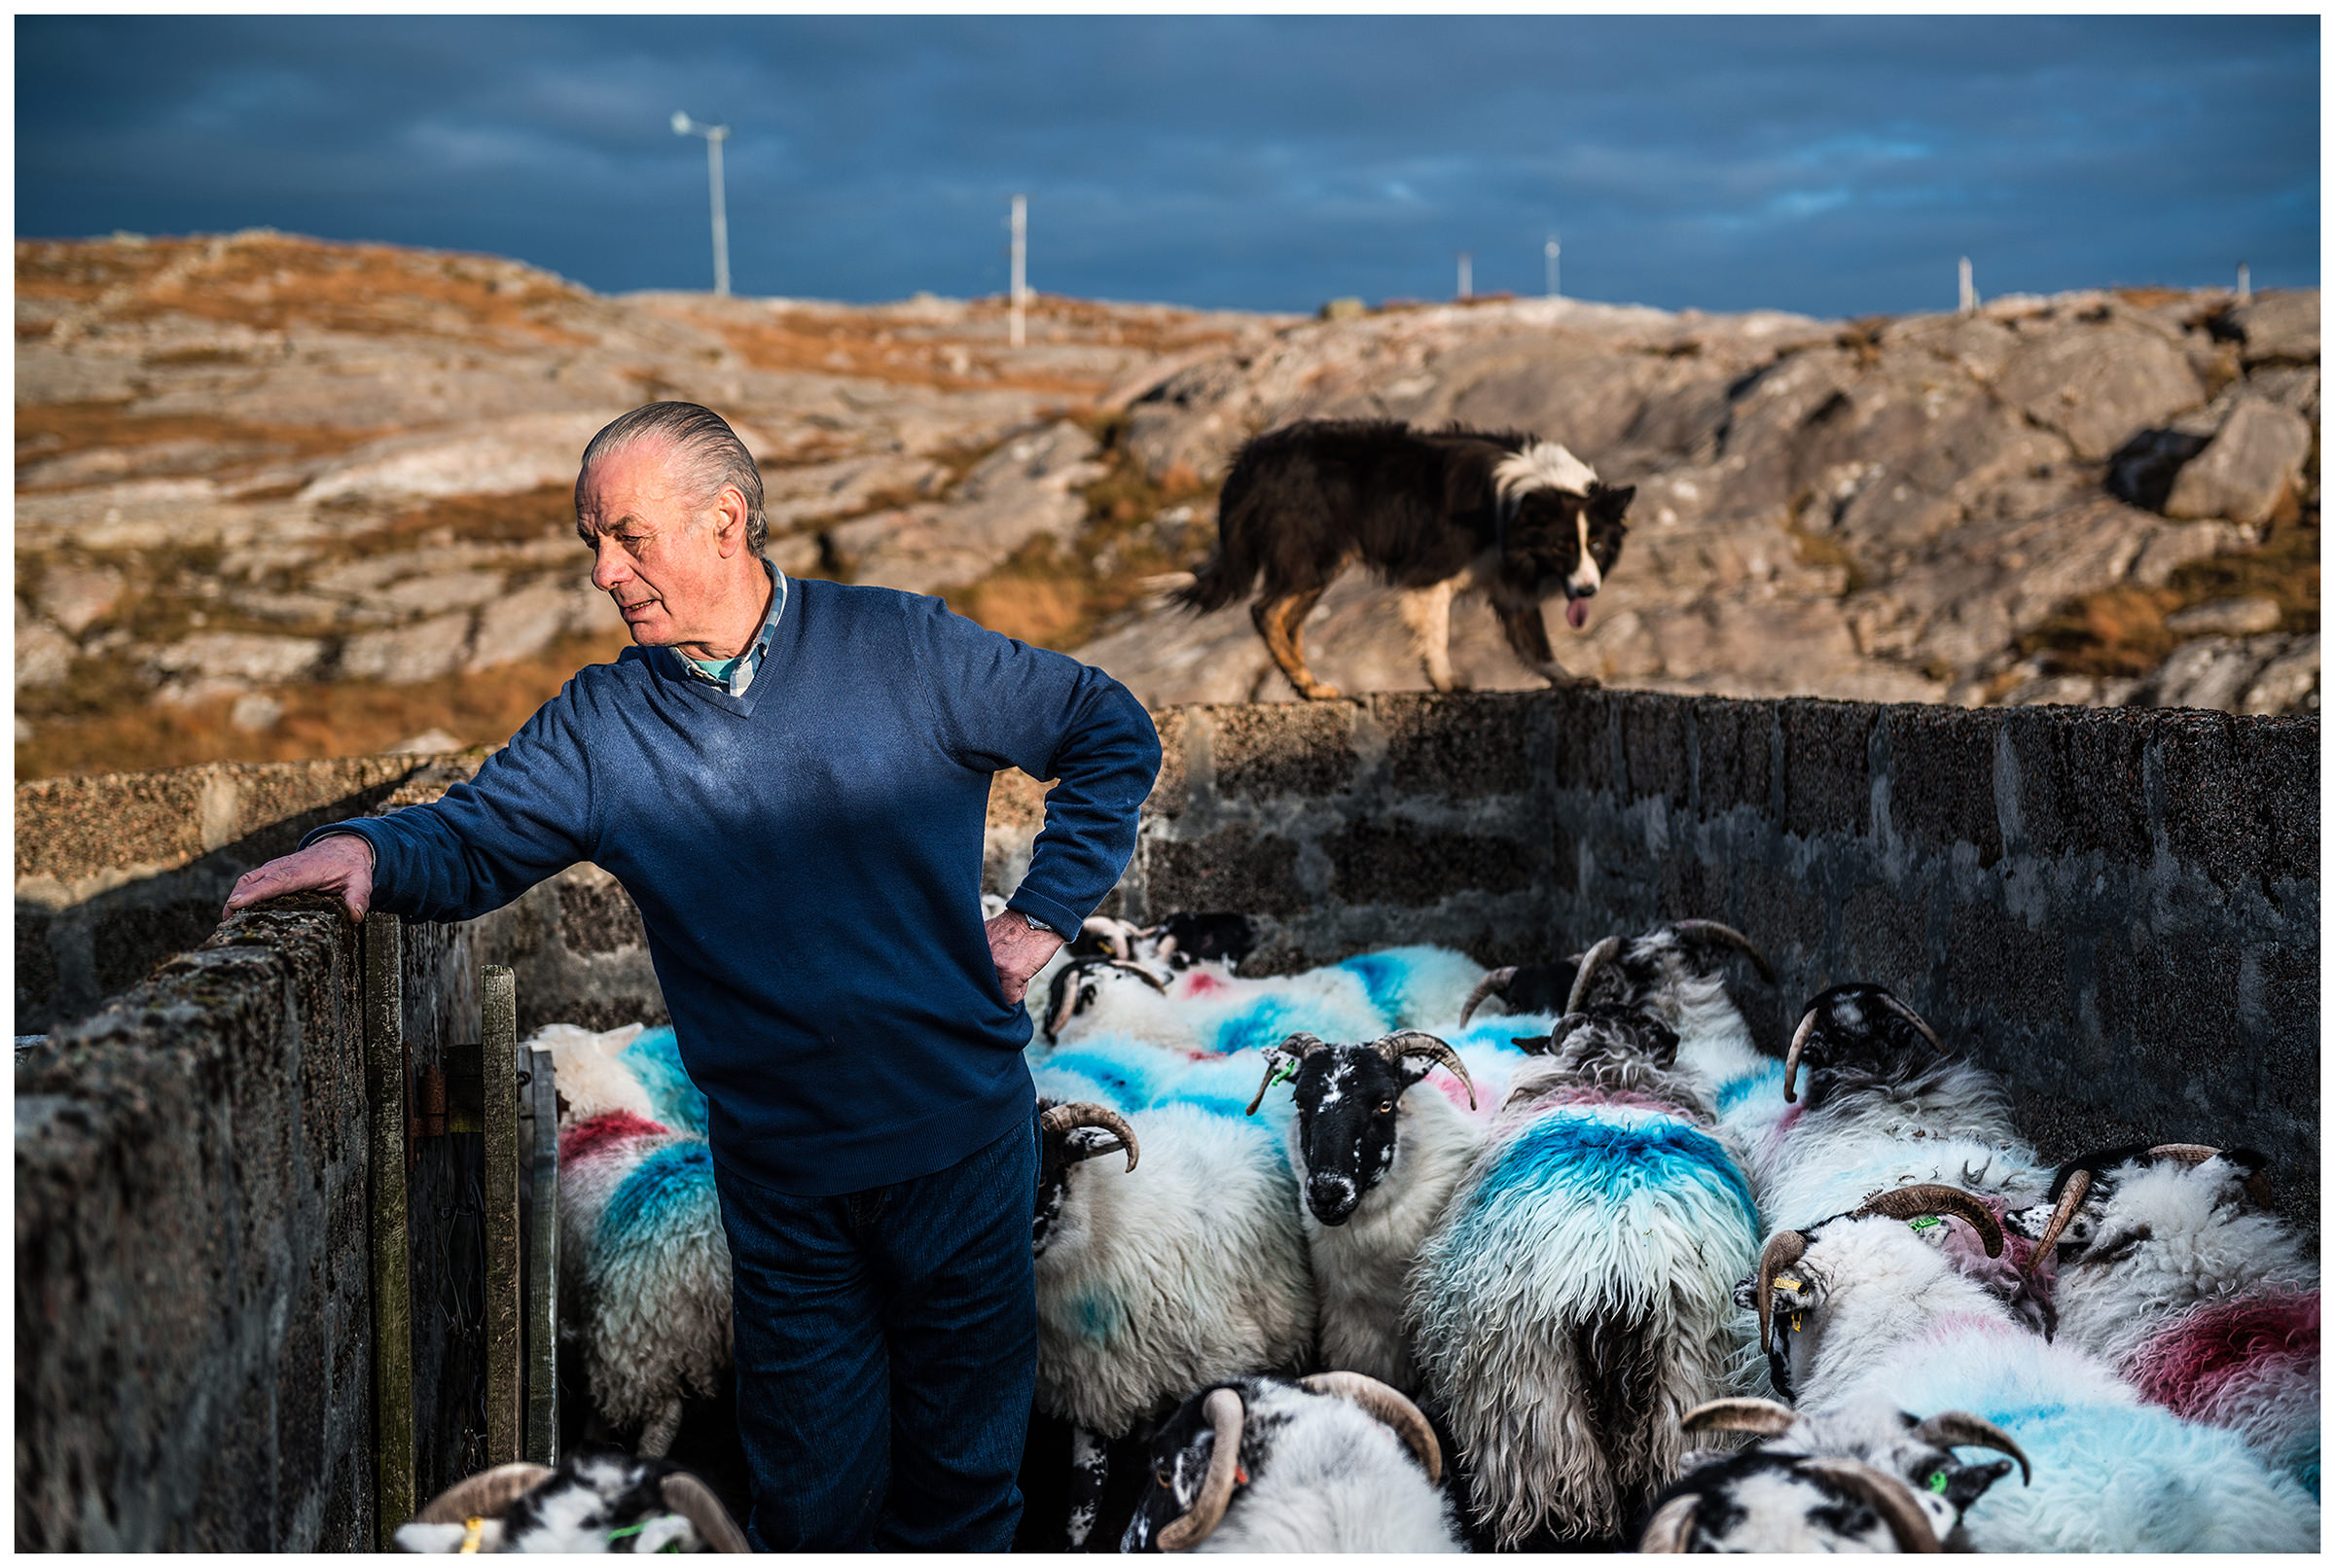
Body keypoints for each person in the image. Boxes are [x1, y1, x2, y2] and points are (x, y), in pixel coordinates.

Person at [223, 402, 1162, 1550]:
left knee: (965, 1496)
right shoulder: (606, 725)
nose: (607, 572)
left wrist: (1038, 920)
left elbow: (1107, 728)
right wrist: (368, 850)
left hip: (959, 1151)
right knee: (810, 1504)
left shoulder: (906, 649)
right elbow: (475, 836)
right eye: (593, 546)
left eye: (627, 536)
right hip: (783, 1186)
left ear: (727, 519)